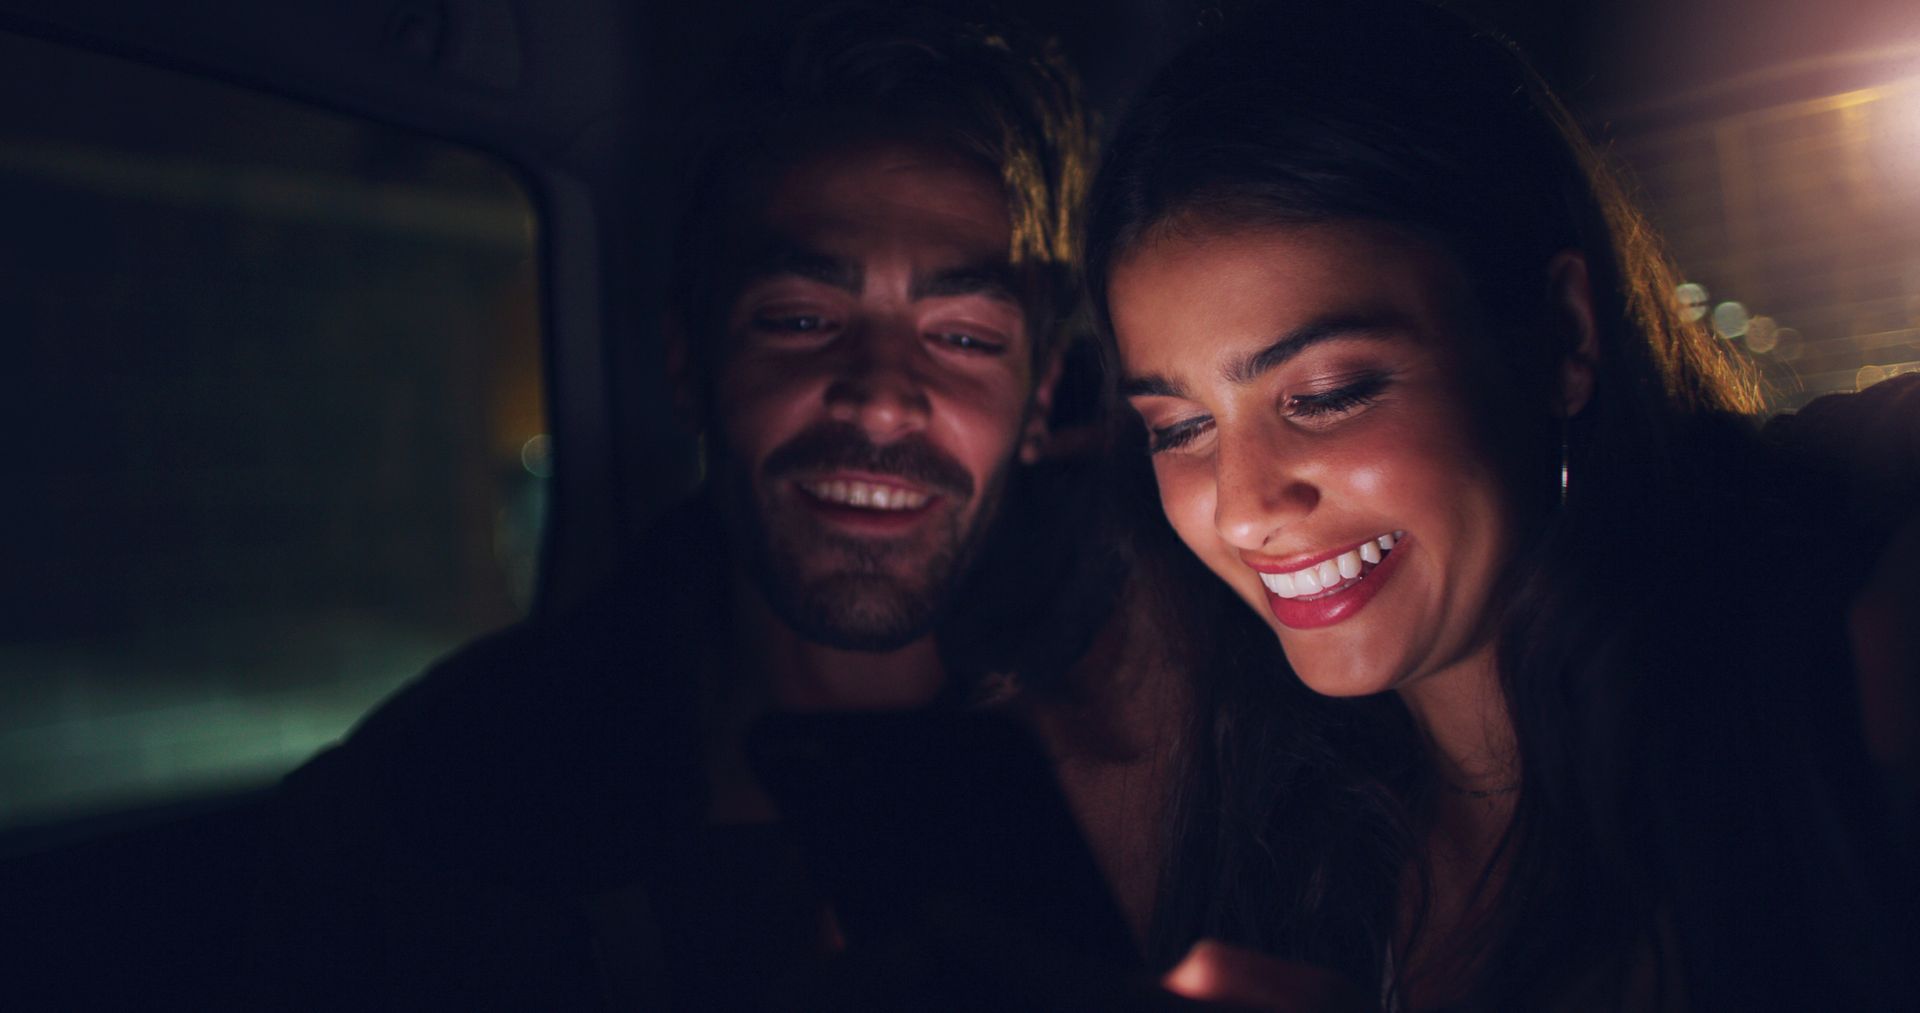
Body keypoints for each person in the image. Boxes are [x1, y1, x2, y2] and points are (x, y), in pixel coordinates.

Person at [250, 7, 1180, 1009]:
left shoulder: (1180, 759)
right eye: (800, 319)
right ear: (688, 364)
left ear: (1039, 403)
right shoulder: (443, 795)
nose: (877, 395)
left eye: (961, 336)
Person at [1086, 2, 1913, 1009]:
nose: (1243, 506)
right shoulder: (1268, 834)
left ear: (1560, 336)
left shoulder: (1835, 691)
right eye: (1180, 427)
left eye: (1327, 394)